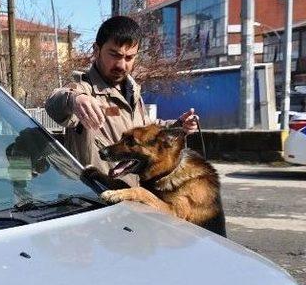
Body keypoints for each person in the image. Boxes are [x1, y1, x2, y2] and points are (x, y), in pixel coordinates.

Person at [45, 15, 198, 185]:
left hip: (133, 197)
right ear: (96, 50)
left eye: (129, 57)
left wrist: (179, 125)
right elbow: (54, 102)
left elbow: (147, 130)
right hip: (97, 198)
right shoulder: (84, 88)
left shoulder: (133, 92)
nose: (122, 65)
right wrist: (74, 100)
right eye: (115, 55)